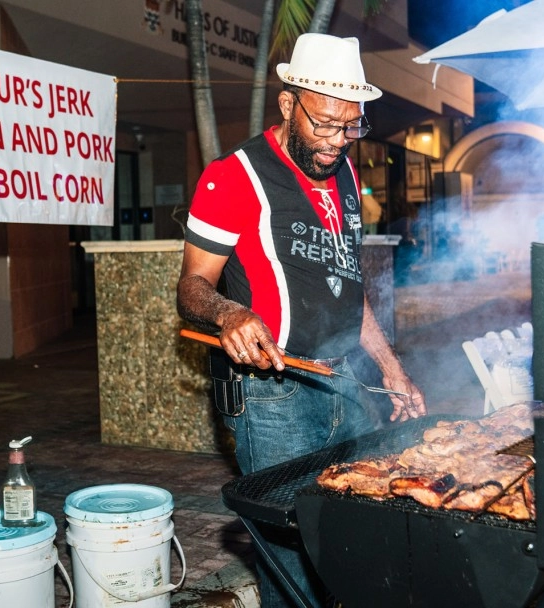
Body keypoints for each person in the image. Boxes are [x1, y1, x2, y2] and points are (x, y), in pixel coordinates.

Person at [175, 33, 427, 608]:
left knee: (353, 531)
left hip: (345, 376)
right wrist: (229, 312)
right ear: (289, 104)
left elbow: (349, 285)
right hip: (273, 393)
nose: (338, 141)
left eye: (351, 126)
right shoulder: (232, 175)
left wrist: (391, 367)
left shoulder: (345, 177)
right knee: (288, 547)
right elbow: (192, 286)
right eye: (325, 124)